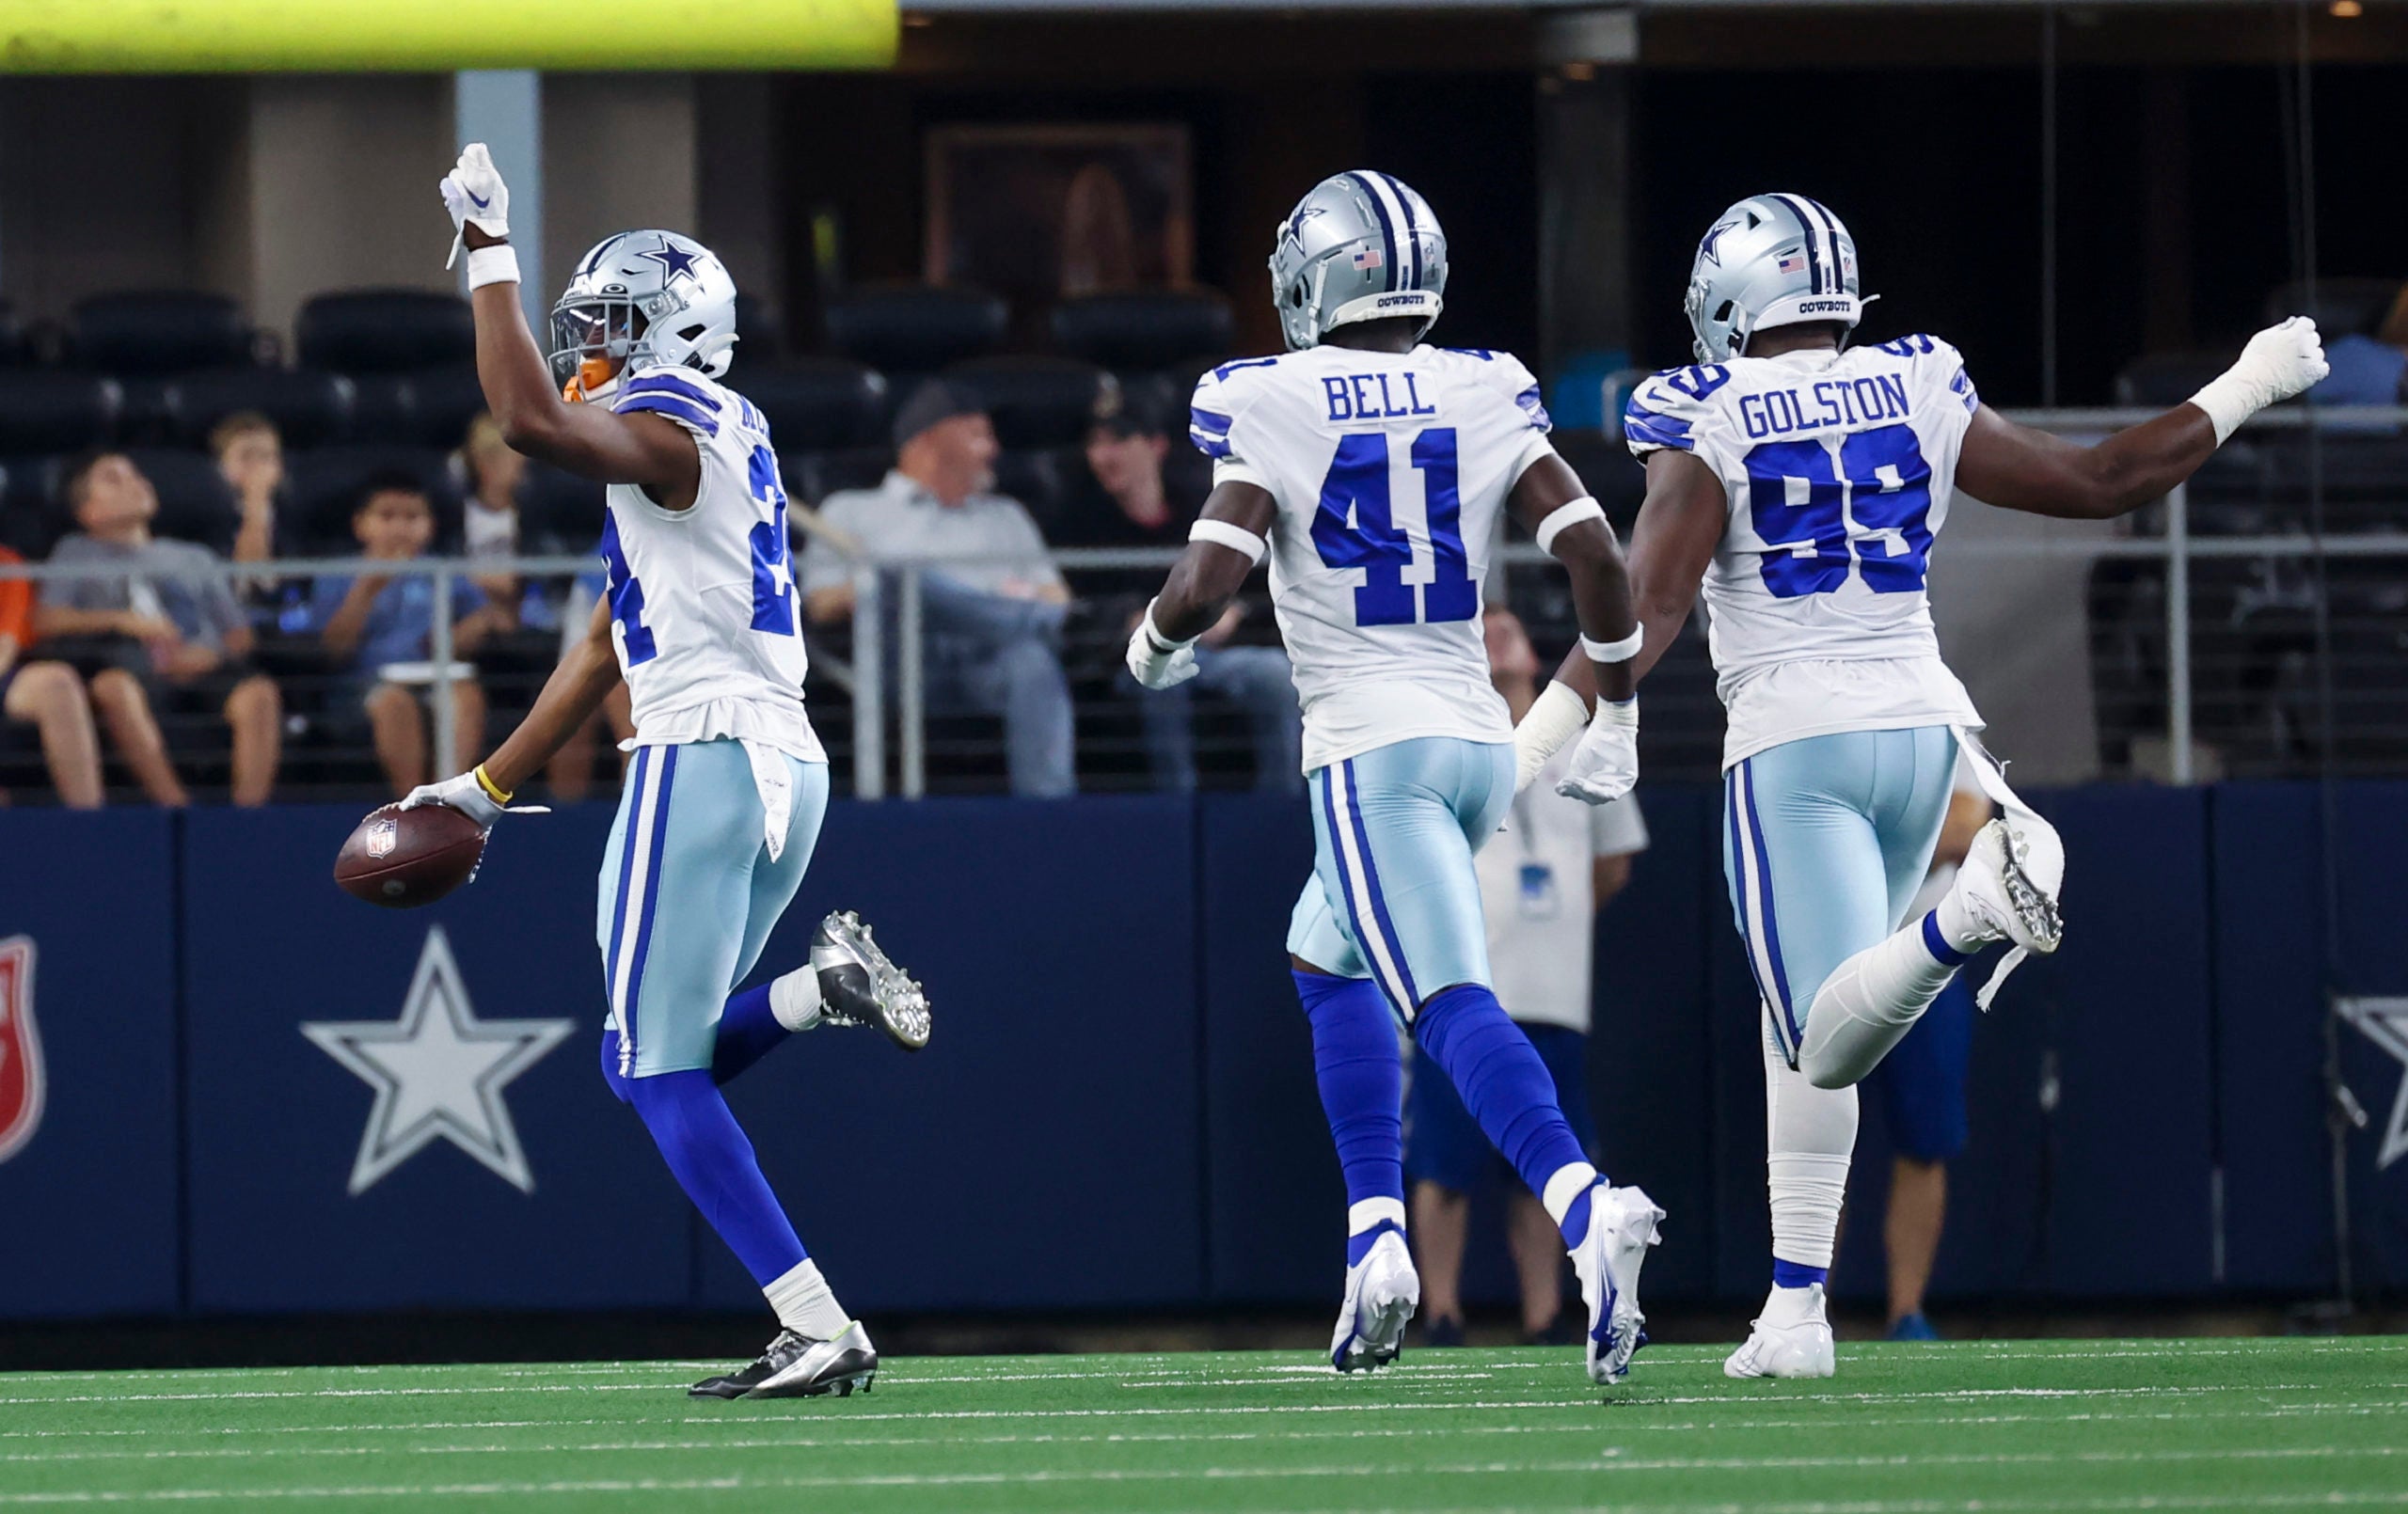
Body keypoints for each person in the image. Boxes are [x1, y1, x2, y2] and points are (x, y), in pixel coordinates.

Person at [1527, 193, 2329, 1379]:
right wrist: (2246, 382)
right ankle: (1796, 1309)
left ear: (1732, 297)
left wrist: (1532, 742)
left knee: (1820, 1032)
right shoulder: (1913, 379)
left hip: (1799, 740)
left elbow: (1646, 607)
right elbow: (2105, 477)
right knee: (1799, 1021)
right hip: (1925, 732)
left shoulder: (1708, 406)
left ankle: (1967, 918)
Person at [404, 145, 932, 1400]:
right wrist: (482, 788)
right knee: (658, 1055)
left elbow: (527, 421)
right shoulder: (715, 434)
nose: (587, 338)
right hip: (777, 761)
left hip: (700, 756)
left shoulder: (677, 416)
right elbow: (602, 644)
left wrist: (489, 244)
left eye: (608, 321)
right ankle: (819, 991)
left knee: (649, 1067)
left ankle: (816, 1320)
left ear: (672, 329)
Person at [1127, 170, 1664, 1386]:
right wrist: (1617, 701)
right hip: (1474, 740)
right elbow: (1592, 550)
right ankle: (1377, 1240)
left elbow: (1207, 580)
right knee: (1326, 958)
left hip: (1373, 750)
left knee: (1448, 1002)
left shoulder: (1270, 395)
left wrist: (1152, 645)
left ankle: (1588, 1213)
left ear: (1313, 276)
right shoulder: (1482, 386)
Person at [1409, 604, 1648, 1347]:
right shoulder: (1448, 745)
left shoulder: (1579, 746)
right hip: (1468, 990)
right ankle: (1440, 1310)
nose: (1494, 631)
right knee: (1446, 1161)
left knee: (1548, 1158)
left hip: (1554, 991)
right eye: (1479, 627)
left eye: (1506, 623)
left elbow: (1614, 862)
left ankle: (1544, 1312)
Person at [802, 382, 1077, 797]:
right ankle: (936, 593)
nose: (994, 449)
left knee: (1032, 661)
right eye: (978, 435)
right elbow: (820, 604)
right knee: (901, 578)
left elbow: (1058, 602)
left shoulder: (1006, 516)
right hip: (904, 661)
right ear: (929, 441)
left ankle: (1051, 813)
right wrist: (879, 584)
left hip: (988, 660)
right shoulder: (852, 509)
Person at [1067, 384, 1301, 791]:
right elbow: (1072, 605)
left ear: (1156, 445)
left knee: (1275, 675)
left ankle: (1281, 806)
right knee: (1160, 675)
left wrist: (1235, 612)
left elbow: (1261, 577)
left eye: (1118, 440)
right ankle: (1177, 809)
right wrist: (1132, 620)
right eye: (1094, 444)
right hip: (1128, 658)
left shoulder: (1202, 503)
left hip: (1214, 651)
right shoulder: (1076, 518)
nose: (1103, 456)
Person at [36, 451, 282, 806]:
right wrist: (121, 620)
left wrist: (212, 655)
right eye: (114, 479)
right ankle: (176, 807)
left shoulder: (194, 557)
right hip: (132, 667)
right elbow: (48, 620)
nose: (136, 482)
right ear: (89, 511)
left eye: (136, 474)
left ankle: (247, 817)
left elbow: (239, 636)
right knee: (112, 687)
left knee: (259, 694)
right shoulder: (75, 553)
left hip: (203, 665)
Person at [1869, 768, 1988, 1342]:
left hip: (1923, 959)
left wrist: (1862, 854)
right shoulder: (1816, 705)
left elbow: (1968, 822)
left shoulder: (1942, 714)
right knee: (1813, 1135)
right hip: (1826, 950)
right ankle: (1800, 1301)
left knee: (1926, 1142)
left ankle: (1906, 1311)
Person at [307, 475, 512, 796]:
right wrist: (366, 590)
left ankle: (451, 801)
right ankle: (414, 805)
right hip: (363, 686)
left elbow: (490, 618)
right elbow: (332, 650)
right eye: (387, 516)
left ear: (430, 525)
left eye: (413, 517)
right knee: (394, 704)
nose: (400, 527)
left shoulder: (441, 571)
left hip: (433, 676)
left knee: (465, 695)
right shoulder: (338, 573)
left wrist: (469, 629)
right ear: (360, 525)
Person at [0, 545, 103, 808]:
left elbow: (5, 646)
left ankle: (88, 824)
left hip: (4, 677)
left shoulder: (6, 563)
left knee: (57, 682)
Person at [212, 411, 285, 575]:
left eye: (265, 457)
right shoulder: (208, 518)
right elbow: (250, 578)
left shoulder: (293, 514)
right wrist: (255, 500)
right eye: (246, 456)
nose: (257, 466)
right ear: (220, 467)